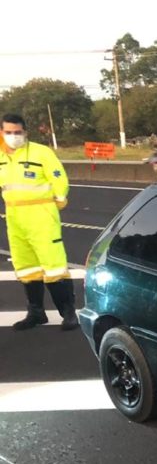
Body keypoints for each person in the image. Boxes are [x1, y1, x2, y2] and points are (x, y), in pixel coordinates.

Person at [0, 112, 78, 330]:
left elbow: (58, 178)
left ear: (25, 132)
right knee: (26, 267)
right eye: (8, 132)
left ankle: (68, 313)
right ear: (2, 133)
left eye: (17, 132)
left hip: (42, 216)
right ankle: (36, 312)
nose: (13, 136)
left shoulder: (41, 153)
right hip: (14, 218)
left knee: (54, 267)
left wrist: (59, 200)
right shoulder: (1, 157)